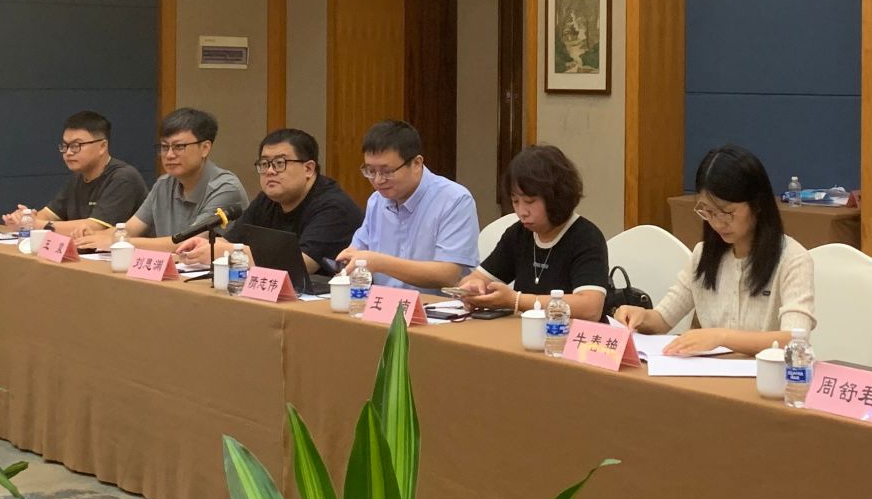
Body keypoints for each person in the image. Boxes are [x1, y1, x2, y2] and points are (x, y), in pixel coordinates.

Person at [611, 145, 812, 356]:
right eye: (708, 212)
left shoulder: (792, 259)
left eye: (727, 212)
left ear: (758, 204)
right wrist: (640, 316)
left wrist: (721, 337)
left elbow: (794, 339)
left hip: (765, 373)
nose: (717, 223)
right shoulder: (703, 255)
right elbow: (662, 319)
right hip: (709, 372)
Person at [453, 145, 610, 321]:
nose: (522, 212)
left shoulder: (586, 237)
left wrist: (516, 300)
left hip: (568, 334)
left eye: (530, 201)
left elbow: (590, 308)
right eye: (515, 201)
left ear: (557, 197)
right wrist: (473, 288)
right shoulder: (518, 234)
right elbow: (473, 279)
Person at [184, 128, 364, 281]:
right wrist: (207, 245)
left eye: (279, 163)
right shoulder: (267, 199)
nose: (270, 171)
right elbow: (232, 241)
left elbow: (300, 265)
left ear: (308, 169)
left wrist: (228, 251)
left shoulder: (334, 207)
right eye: (264, 164)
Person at [334, 120, 480, 291]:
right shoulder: (377, 200)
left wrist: (379, 262)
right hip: (384, 303)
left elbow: (448, 275)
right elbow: (358, 251)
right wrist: (348, 259)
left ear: (417, 163)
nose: (378, 180)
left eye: (387, 171)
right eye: (371, 171)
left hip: (438, 305)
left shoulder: (454, 200)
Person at [75, 108, 246, 253]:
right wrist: (94, 236)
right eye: (164, 147)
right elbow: (130, 229)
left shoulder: (225, 188)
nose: (169, 155)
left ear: (205, 148)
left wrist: (119, 242)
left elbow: (186, 243)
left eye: (179, 147)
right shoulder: (164, 184)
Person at [3, 111, 147, 235]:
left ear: (102, 146)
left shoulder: (123, 177)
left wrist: (36, 224)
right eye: (65, 146)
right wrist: (23, 218)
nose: (68, 152)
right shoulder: (78, 177)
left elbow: (94, 227)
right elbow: (48, 215)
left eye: (76, 145)